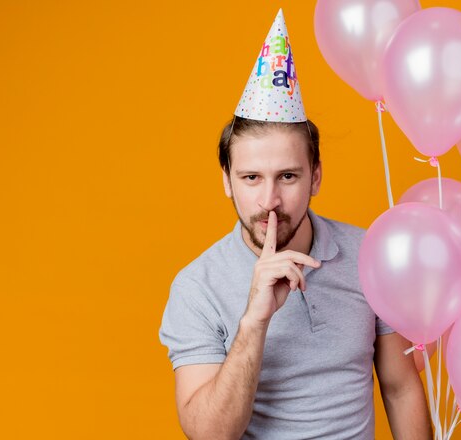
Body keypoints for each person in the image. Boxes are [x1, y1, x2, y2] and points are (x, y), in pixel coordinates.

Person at [159, 9, 431, 439]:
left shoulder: (370, 256)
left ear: (316, 176)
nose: (270, 201)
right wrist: (254, 320)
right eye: (251, 178)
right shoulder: (197, 287)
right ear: (227, 182)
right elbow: (210, 434)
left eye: (287, 176)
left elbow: (399, 388)